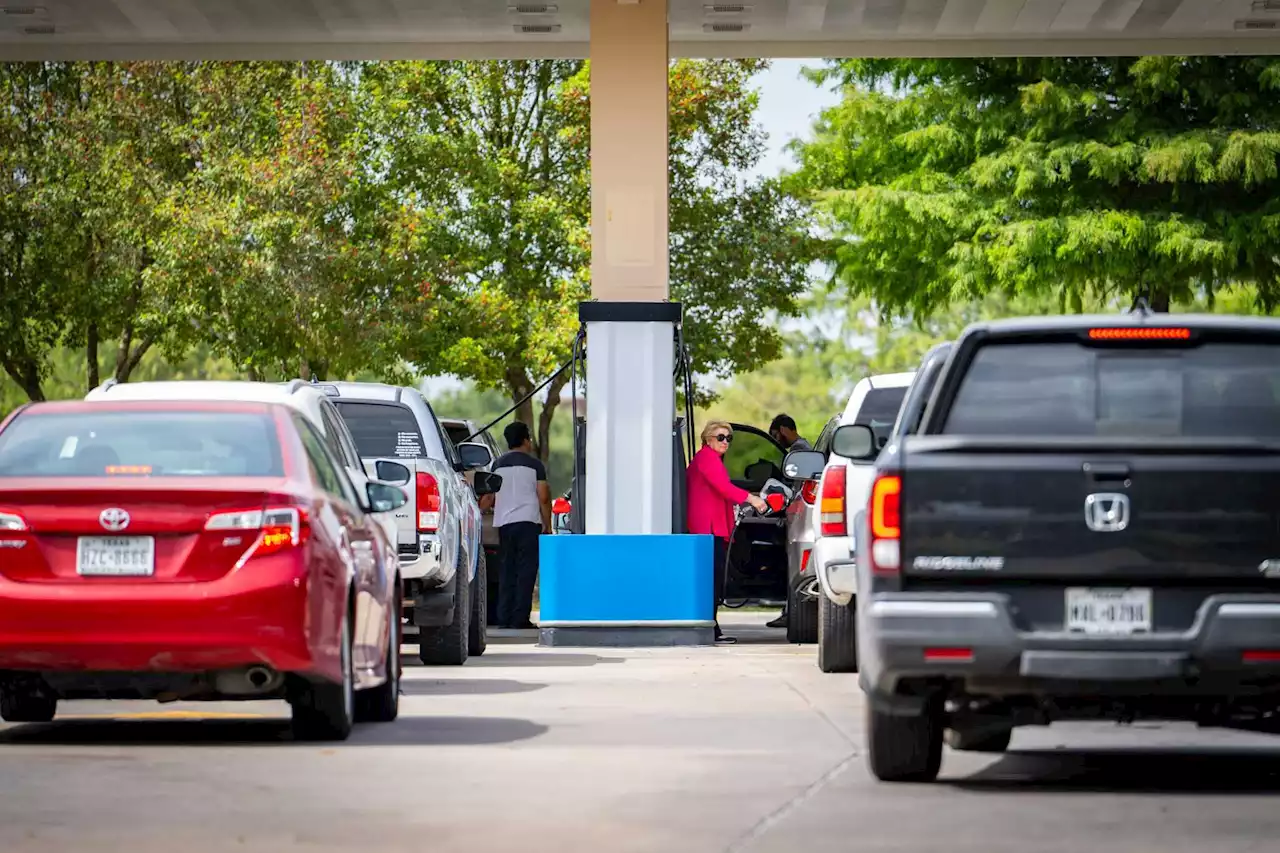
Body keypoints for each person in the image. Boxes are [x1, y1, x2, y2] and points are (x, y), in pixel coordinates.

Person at [687, 420, 769, 645]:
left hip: (710, 526)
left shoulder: (708, 459)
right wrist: (752, 498)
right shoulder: (707, 459)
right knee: (712, 579)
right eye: (720, 437)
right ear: (707, 439)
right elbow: (724, 487)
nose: (725, 442)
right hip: (708, 527)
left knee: (713, 578)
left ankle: (712, 627)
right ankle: (710, 628)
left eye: (728, 438)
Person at [483, 421, 552, 630]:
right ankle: (520, 618)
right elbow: (544, 497)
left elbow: (490, 495)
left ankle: (504, 617)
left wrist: (479, 511)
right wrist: (547, 525)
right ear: (524, 440)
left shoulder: (497, 465)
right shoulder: (535, 466)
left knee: (506, 570)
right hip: (529, 523)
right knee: (526, 572)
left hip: (504, 524)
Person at [766, 414, 812, 629]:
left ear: (784, 429)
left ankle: (790, 611)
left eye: (775, 435)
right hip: (800, 513)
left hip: (797, 514)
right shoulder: (806, 448)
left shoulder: (798, 451)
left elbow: (795, 487)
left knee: (791, 563)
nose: (776, 441)